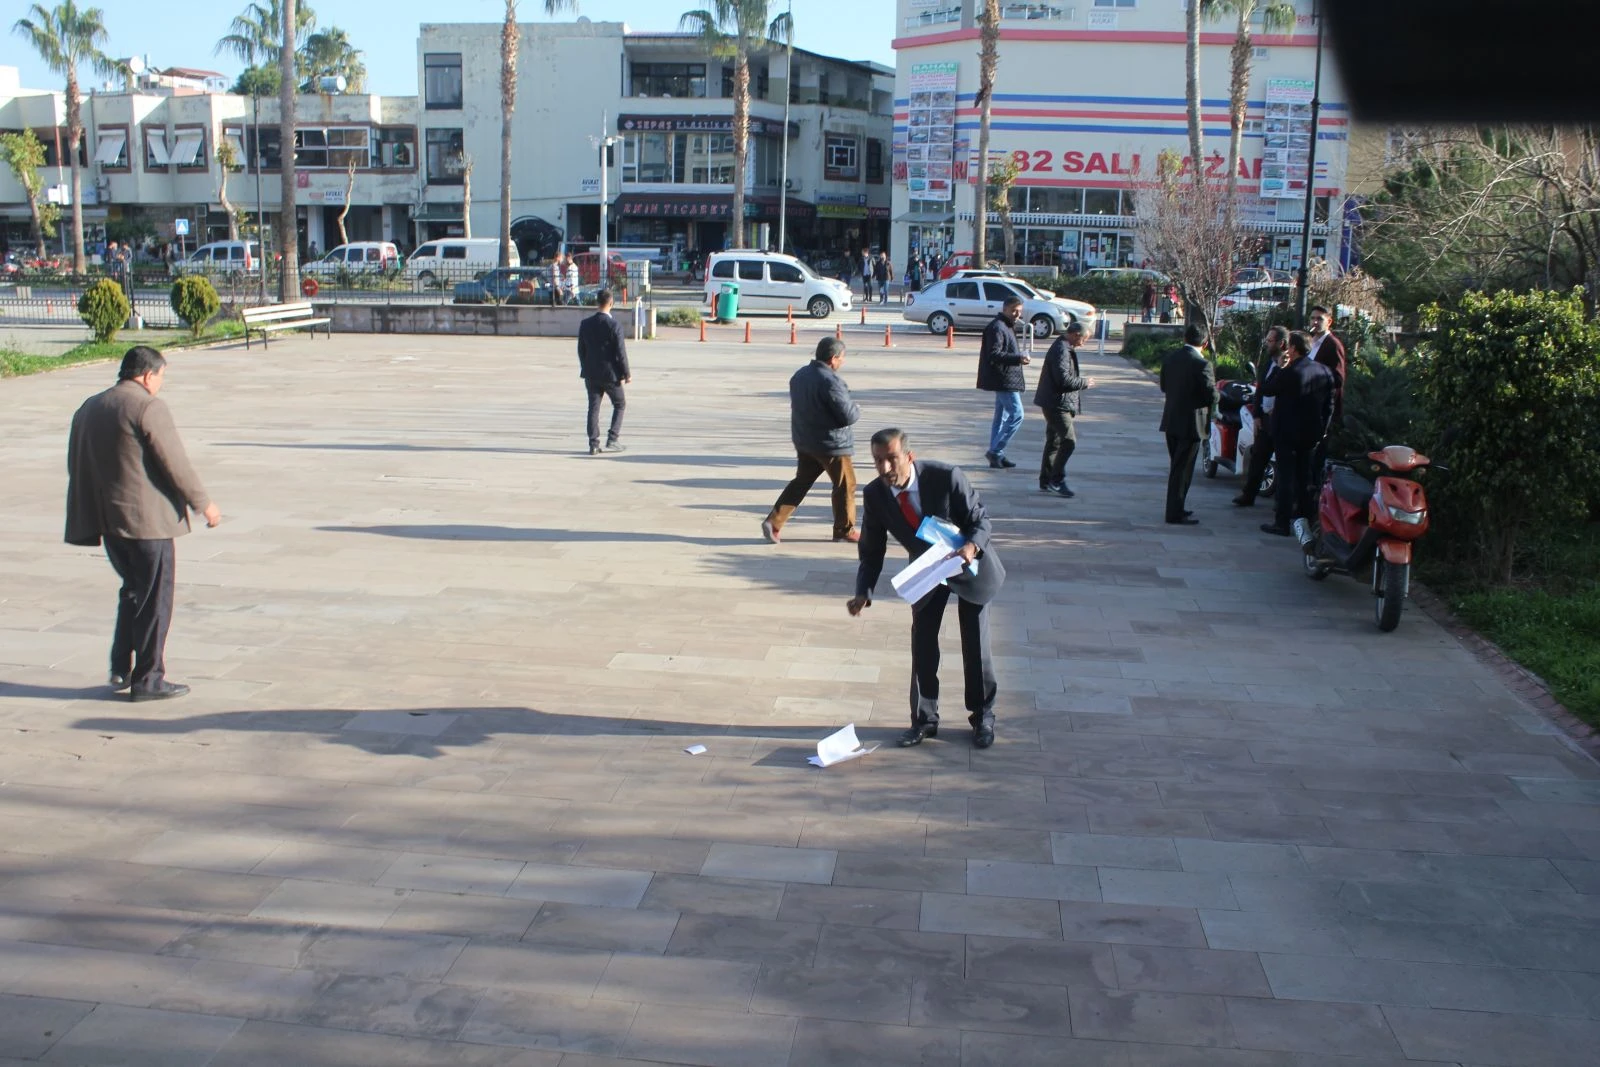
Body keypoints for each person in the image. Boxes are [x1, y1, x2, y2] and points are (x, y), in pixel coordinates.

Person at [65, 346, 221, 701]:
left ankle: (120, 666)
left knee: (133, 591)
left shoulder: (90, 406)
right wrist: (204, 504)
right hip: (148, 524)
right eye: (161, 377)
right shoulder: (147, 406)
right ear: (148, 375)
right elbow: (175, 462)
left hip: (109, 522)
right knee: (155, 599)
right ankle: (149, 678)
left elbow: (76, 461)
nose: (161, 385)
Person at [848, 428, 1007, 749]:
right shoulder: (876, 494)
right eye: (878, 461)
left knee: (975, 644)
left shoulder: (947, 477)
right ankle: (924, 720)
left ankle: (982, 716)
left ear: (909, 456)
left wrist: (971, 548)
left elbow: (981, 521)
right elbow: (871, 547)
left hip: (968, 564)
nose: (885, 469)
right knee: (922, 642)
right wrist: (863, 589)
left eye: (892, 459)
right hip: (928, 570)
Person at [761, 337, 861, 545]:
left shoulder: (800, 375)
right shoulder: (831, 381)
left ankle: (774, 522)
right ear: (833, 358)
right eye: (842, 358)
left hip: (806, 441)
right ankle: (845, 529)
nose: (842, 362)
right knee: (846, 484)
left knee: (801, 482)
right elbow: (847, 416)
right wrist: (856, 407)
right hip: (831, 444)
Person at [1258, 330, 1335, 536]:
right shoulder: (1324, 372)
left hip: (1286, 433)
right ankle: (1305, 517)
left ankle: (1281, 522)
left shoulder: (1290, 372)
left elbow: (1266, 389)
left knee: (1286, 476)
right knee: (1305, 476)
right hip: (1312, 433)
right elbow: (1330, 405)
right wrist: (1323, 429)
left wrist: (1280, 367)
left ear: (1292, 348)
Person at [1159, 324, 1219, 525]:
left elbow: (1164, 386)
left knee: (1177, 467)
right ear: (1205, 343)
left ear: (1184, 338)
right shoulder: (1202, 364)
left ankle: (1177, 507)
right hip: (1192, 423)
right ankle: (1174, 512)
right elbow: (1210, 394)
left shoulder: (1171, 358)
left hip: (1171, 420)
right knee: (1182, 469)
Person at [1033, 320, 1097, 498]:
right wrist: (1084, 382)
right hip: (1057, 404)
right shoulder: (1061, 350)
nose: (1083, 343)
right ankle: (1056, 479)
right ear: (1076, 334)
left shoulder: (1064, 347)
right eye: (1084, 339)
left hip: (1055, 401)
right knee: (1069, 441)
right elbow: (1063, 380)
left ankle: (1046, 480)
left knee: (1054, 441)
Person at [1234, 325, 1288, 507]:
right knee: (1258, 458)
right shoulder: (1269, 362)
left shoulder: (1288, 364)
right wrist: (1256, 415)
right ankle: (1248, 495)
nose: (1266, 344)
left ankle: (1281, 504)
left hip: (1280, 420)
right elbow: (1260, 389)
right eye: (1266, 340)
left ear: (1282, 343)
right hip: (1264, 419)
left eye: (1270, 341)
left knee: (1282, 461)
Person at [977, 296, 1031, 469]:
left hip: (1005, 377)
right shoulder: (997, 327)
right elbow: (994, 354)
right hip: (1002, 378)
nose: (1017, 314)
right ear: (1005, 308)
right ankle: (995, 451)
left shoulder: (1006, 325)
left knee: (1001, 417)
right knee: (1017, 414)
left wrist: (1018, 358)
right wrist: (1018, 358)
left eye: (1019, 311)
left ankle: (997, 455)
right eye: (1014, 310)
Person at [577, 289, 630, 455]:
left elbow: (581, 350)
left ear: (597, 303)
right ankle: (613, 438)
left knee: (593, 408)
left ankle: (593, 443)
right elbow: (620, 352)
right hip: (610, 374)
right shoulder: (614, 325)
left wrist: (586, 366)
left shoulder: (585, 324)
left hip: (591, 373)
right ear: (611, 303)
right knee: (620, 404)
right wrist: (626, 373)